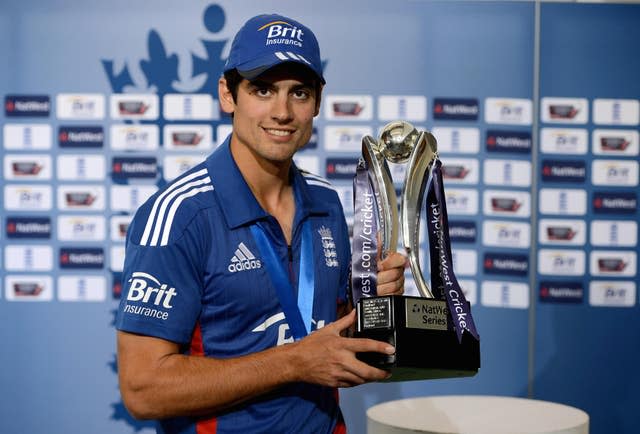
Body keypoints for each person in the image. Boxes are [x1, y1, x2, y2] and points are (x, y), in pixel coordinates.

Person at [115, 13, 407, 434]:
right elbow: (142, 389)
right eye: (263, 89)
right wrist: (296, 361)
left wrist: (369, 299)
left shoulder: (325, 201)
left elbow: (324, 326)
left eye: (299, 93)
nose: (283, 112)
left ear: (318, 102)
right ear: (228, 94)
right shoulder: (180, 215)